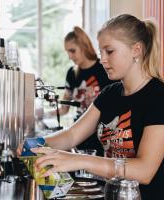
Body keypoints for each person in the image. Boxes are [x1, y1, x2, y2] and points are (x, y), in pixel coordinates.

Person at [19, 14, 164, 200]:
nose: (103, 59)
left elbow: (144, 171)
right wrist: (35, 144)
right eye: (101, 52)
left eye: (110, 51)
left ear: (136, 50)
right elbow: (73, 135)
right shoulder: (110, 94)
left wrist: (78, 160)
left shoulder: (161, 98)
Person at [46, 26, 115, 156]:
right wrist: (42, 115)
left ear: (83, 46)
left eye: (72, 51)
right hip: (79, 135)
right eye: (67, 52)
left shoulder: (104, 69)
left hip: (101, 137)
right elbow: (64, 109)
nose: (70, 56)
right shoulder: (72, 74)